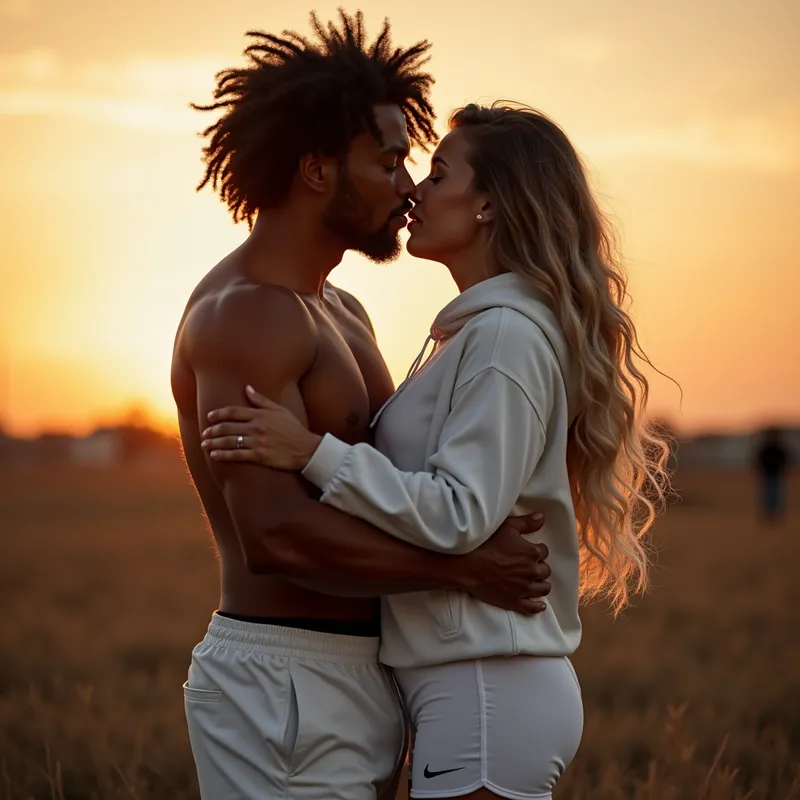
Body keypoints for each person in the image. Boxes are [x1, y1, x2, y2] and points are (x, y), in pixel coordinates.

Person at [202, 103, 672, 799]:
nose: (412, 189)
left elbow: (459, 513)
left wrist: (312, 452)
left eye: (433, 171)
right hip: (458, 687)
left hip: (484, 687)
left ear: (489, 205)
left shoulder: (505, 335)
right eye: (397, 166)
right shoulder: (466, 336)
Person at [171, 13, 553, 800]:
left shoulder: (342, 310)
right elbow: (274, 535)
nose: (407, 184)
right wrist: (468, 567)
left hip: (368, 673)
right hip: (280, 675)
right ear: (317, 171)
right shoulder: (247, 313)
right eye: (388, 161)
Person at [755, 427, 791, 522]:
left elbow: (785, 460)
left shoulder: (778, 449)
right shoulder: (766, 449)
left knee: (777, 495)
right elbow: (760, 460)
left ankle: (775, 514)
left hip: (776, 475)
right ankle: (769, 514)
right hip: (767, 475)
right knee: (768, 495)